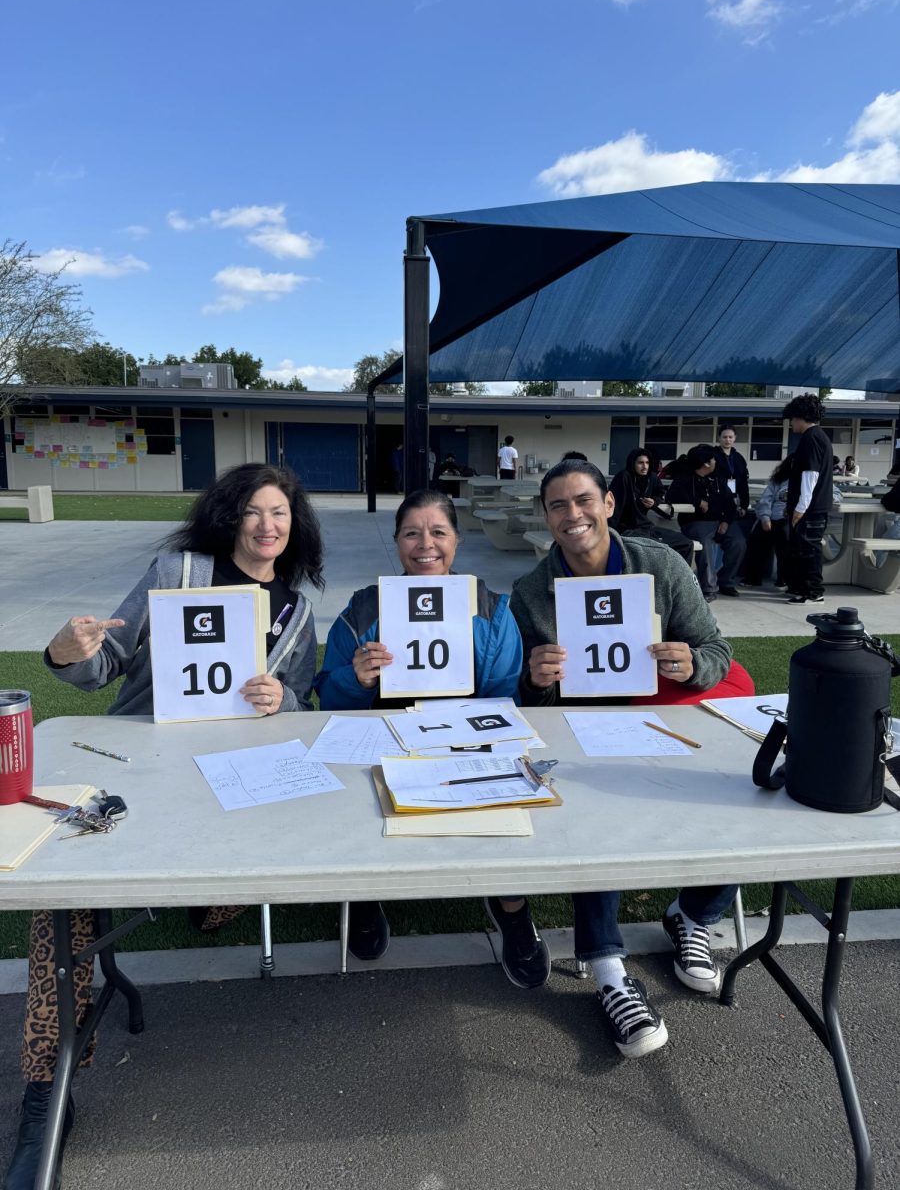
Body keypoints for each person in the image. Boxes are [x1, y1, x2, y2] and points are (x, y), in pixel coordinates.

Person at [5, 463, 322, 1190]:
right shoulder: (178, 570)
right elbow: (105, 665)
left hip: (234, 778)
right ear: (227, 516)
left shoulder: (297, 612)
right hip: (138, 759)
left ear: (293, 526)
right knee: (63, 890)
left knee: (251, 861)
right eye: (251, 511)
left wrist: (286, 699)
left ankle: (208, 896)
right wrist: (67, 652)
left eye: (279, 513)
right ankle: (44, 1096)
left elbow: (300, 697)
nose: (266, 525)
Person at [507, 459, 740, 1059]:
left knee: (740, 792)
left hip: (663, 716)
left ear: (609, 503)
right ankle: (608, 968)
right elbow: (528, 698)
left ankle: (693, 914)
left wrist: (692, 664)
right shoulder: (532, 591)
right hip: (582, 730)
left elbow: (715, 647)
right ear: (546, 516)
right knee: (591, 814)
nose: (572, 514)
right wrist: (535, 680)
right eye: (557, 505)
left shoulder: (661, 564)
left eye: (583, 500)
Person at [314, 490, 546, 985]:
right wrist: (355, 681)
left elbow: (505, 699)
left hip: (463, 740)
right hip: (381, 739)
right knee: (349, 788)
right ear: (396, 542)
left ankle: (510, 902)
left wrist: (464, 742)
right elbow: (327, 704)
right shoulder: (362, 611)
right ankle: (364, 891)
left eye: (438, 532)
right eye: (411, 533)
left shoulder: (491, 609)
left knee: (508, 785)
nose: (425, 545)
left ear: (457, 541)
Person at [666, 445, 746, 600]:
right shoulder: (685, 479)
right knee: (705, 547)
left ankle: (726, 582)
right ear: (706, 463)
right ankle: (709, 589)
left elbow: (730, 503)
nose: (716, 461)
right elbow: (671, 497)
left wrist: (726, 521)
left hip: (720, 521)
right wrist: (697, 501)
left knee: (738, 542)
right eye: (713, 459)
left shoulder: (717, 479)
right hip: (696, 523)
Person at [782, 394, 833, 604]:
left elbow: (810, 475)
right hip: (814, 506)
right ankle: (801, 587)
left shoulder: (811, 438)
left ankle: (812, 591)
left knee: (808, 550)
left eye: (793, 418)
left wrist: (800, 507)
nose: (791, 423)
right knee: (803, 549)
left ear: (801, 416)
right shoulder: (819, 436)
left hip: (810, 509)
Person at [608, 447, 694, 566]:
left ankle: (682, 580)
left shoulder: (652, 478)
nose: (645, 466)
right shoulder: (624, 477)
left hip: (646, 527)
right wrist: (610, 534)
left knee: (686, 543)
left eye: (647, 463)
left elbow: (660, 493)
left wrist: (654, 502)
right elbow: (613, 507)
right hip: (627, 530)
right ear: (633, 463)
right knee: (657, 549)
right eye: (640, 463)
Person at [740, 455, 792, 588]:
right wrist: (765, 518)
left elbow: (835, 493)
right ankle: (753, 578)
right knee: (755, 541)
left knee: (785, 543)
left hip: (790, 520)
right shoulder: (778, 480)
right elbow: (765, 500)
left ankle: (784, 578)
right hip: (770, 518)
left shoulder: (809, 480)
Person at [714, 424, 750, 519]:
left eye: (730, 437)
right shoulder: (712, 455)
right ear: (719, 438)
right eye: (724, 437)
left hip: (732, 497)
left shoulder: (739, 458)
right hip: (715, 498)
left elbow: (743, 483)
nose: (728, 440)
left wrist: (744, 505)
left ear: (735, 438)